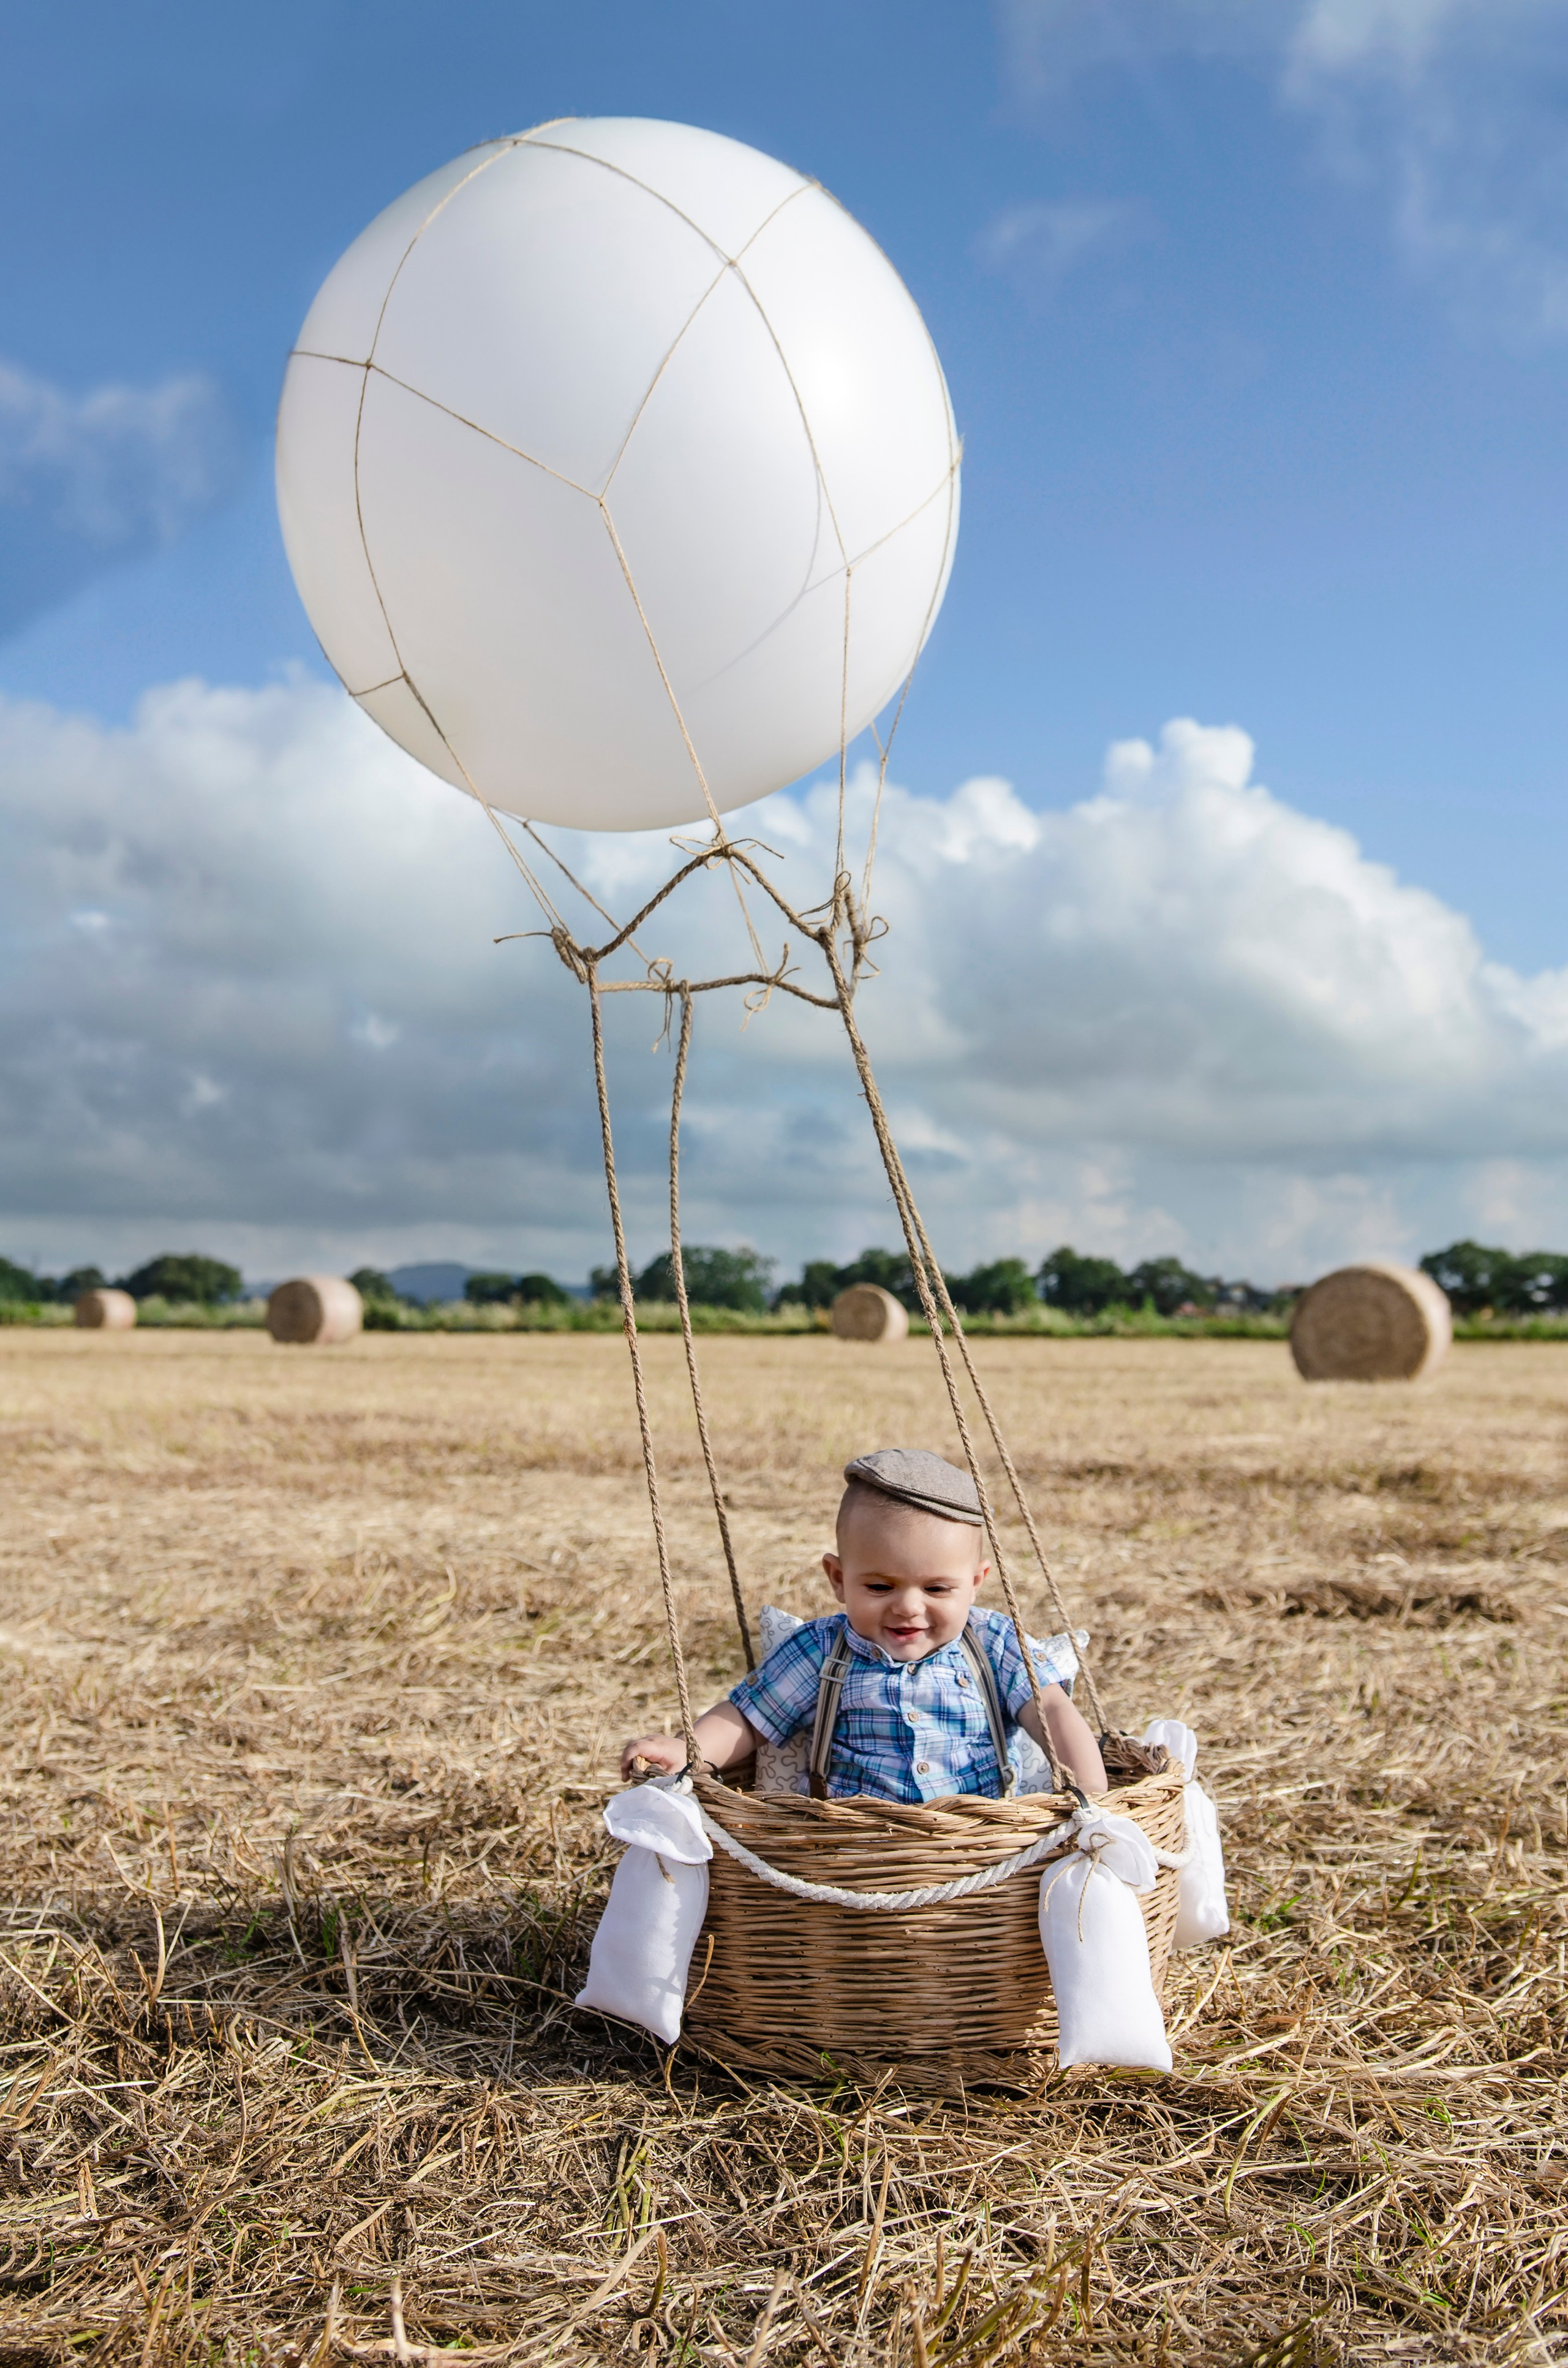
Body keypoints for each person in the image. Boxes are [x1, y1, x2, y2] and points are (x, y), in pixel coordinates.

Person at [620, 1447, 1107, 1799]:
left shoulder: (995, 1642)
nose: (908, 1608)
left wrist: (1088, 1790)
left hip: (979, 1847)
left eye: (937, 1589)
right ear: (838, 1578)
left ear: (976, 1582)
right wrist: (689, 1749)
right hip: (855, 1850)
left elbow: (1053, 1711)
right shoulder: (823, 1649)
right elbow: (747, 1717)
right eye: (879, 1587)